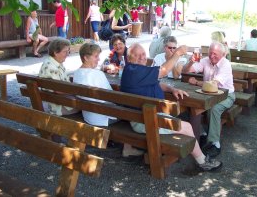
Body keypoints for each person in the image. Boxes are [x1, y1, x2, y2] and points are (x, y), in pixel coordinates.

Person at [121, 43, 222, 172]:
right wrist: (178, 53)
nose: (142, 57)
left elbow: (157, 83)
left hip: (142, 116)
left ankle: (193, 147)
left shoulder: (134, 70)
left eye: (143, 54)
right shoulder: (135, 71)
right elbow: (163, 71)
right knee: (187, 126)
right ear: (130, 59)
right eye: (137, 55)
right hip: (145, 121)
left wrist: (171, 88)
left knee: (181, 117)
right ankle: (202, 161)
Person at [73, 43, 144, 158]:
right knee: (131, 108)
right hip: (102, 118)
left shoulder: (76, 73)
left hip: (88, 115)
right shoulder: (97, 74)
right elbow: (112, 96)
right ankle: (128, 147)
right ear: (86, 57)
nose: (99, 59)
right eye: (96, 56)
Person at [182, 42, 235, 158]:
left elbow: (214, 84)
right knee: (190, 105)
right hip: (207, 95)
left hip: (226, 95)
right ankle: (201, 133)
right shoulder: (205, 60)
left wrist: (196, 82)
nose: (212, 56)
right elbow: (186, 71)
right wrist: (191, 61)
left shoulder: (226, 64)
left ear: (222, 54)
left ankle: (214, 143)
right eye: (210, 53)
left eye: (215, 54)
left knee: (214, 108)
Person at [38, 38, 77, 116]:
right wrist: (78, 91)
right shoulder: (51, 67)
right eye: (65, 52)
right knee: (90, 107)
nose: (68, 54)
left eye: (68, 51)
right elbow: (59, 90)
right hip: (58, 107)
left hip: (58, 101)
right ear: (55, 52)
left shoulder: (53, 62)